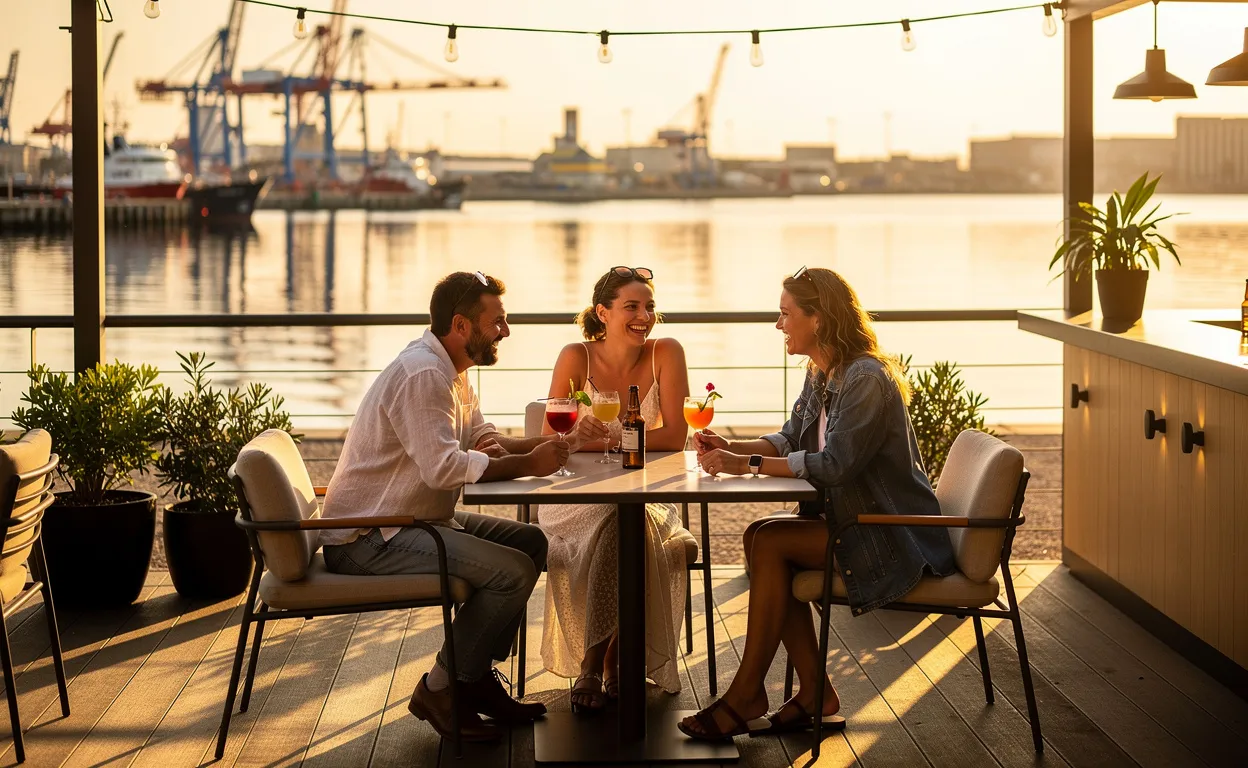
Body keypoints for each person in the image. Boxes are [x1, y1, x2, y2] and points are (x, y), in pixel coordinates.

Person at [319, 271, 606, 744]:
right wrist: (528, 464)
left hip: (416, 519)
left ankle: (470, 680)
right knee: (511, 572)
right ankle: (440, 687)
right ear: (461, 324)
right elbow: (442, 468)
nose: (506, 331)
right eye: (498, 321)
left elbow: (479, 438)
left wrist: (557, 442)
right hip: (369, 536)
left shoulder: (453, 369)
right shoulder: (424, 375)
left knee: (532, 541)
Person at [679, 266, 957, 741]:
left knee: (769, 544)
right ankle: (813, 694)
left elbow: (835, 465)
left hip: (894, 536)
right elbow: (790, 438)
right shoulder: (823, 371)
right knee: (758, 538)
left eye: (786, 314)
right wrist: (736, 448)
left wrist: (743, 464)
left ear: (820, 319)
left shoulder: (865, 378)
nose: (778, 324)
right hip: (857, 524)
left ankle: (749, 695)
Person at [538, 266, 692, 713]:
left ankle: (593, 664)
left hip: (647, 497)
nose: (644, 316)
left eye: (649, 307)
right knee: (616, 520)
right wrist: (575, 437)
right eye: (632, 307)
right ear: (602, 313)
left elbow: (676, 437)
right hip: (574, 500)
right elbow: (554, 439)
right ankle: (613, 663)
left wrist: (606, 438)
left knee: (628, 521)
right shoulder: (575, 357)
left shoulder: (667, 351)